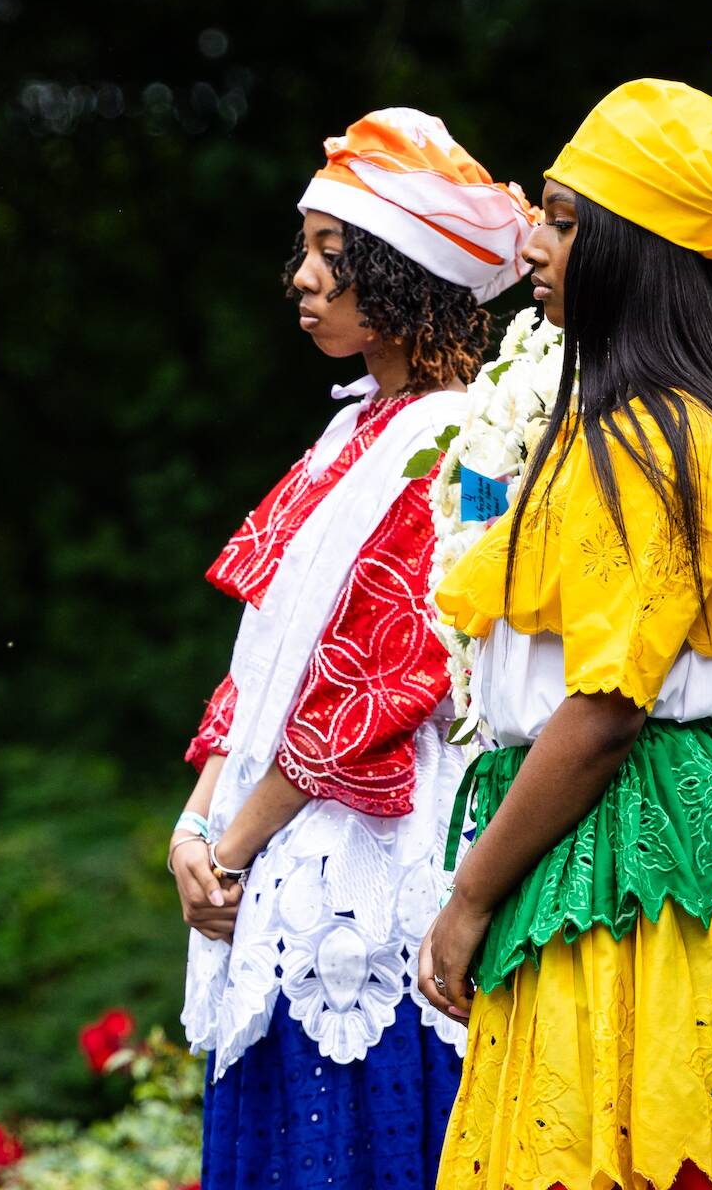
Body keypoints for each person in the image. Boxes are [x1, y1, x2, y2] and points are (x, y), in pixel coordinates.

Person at [420, 23, 712, 1189]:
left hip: (614, 835)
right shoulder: (669, 422)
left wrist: (467, 898)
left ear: (630, 249)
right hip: (647, 821)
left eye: (561, 220)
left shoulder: (645, 439)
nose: (534, 243)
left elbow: (603, 712)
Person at [174, 108, 533, 1189]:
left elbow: (381, 680)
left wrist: (228, 848)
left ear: (405, 271)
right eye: (307, 249)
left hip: (367, 868)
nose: (303, 277)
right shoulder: (348, 431)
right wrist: (192, 827)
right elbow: (262, 658)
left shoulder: (470, 441)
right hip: (271, 850)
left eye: (333, 253)